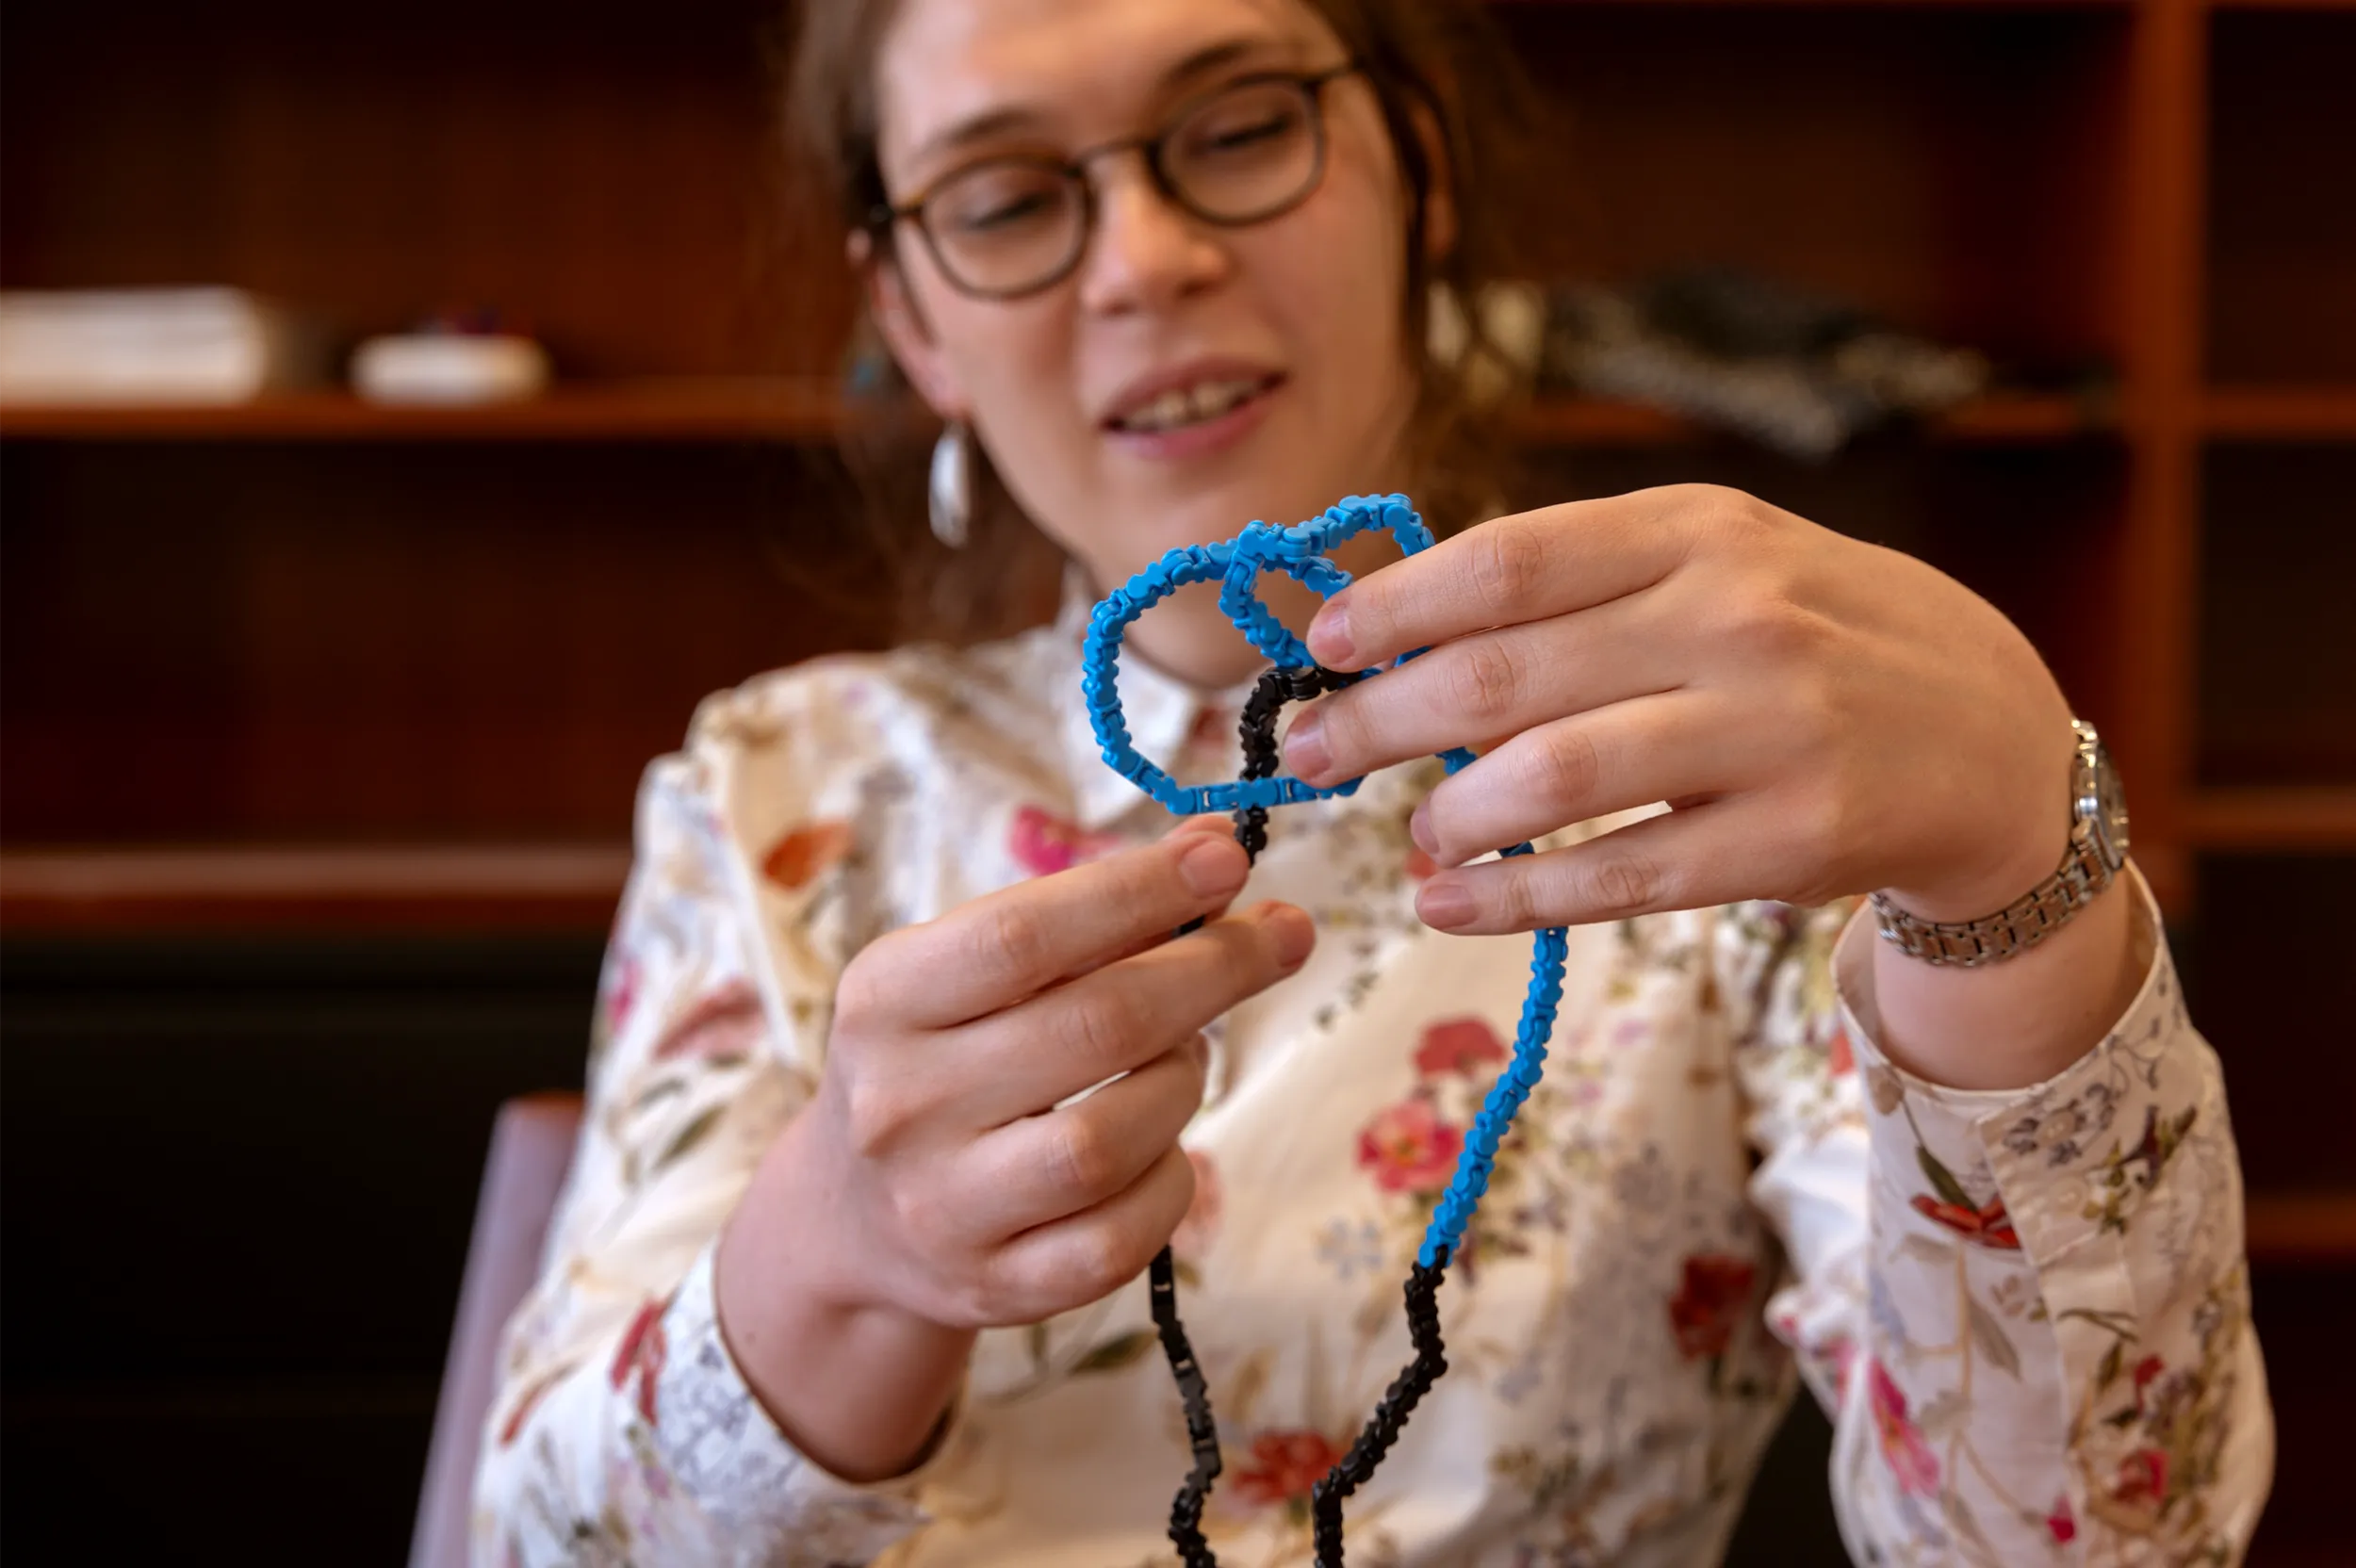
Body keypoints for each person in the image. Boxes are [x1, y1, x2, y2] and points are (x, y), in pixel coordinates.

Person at [472, 1, 2274, 1562]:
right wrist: (845, 1255)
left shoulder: (1728, 794)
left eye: (1240, 128)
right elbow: (541, 1547)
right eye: (1011, 198)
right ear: (915, 315)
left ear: (1413, 167)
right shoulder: (781, 797)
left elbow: (2113, 1547)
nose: (1143, 259)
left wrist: (2011, 878)